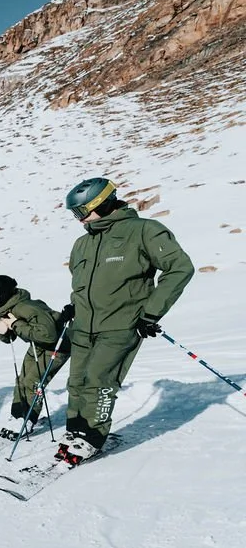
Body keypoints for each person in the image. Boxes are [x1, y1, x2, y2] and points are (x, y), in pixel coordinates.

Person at [58, 177, 193, 464]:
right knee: (77, 381)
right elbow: (84, 284)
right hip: (83, 327)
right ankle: (75, 431)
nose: (78, 220)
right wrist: (74, 307)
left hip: (120, 325)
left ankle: (92, 436)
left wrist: (151, 313)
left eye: (81, 212)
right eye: (74, 214)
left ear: (102, 204)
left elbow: (180, 268)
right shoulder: (82, 243)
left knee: (100, 381)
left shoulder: (144, 231)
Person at [0, 275, 70, 437]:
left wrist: (15, 324)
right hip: (38, 345)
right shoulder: (4, 308)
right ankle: (18, 416)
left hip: (57, 345)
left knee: (33, 381)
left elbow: (48, 335)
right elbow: (10, 338)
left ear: (0, 295)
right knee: (22, 380)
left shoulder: (27, 307)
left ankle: (28, 419)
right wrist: (2, 331)